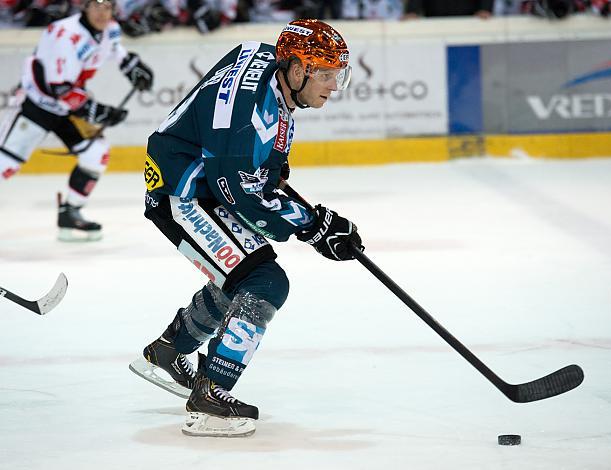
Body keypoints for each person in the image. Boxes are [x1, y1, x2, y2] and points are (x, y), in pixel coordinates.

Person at [129, 19, 363, 437]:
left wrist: (297, 204)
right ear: (296, 69)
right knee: (264, 281)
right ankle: (210, 394)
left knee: (242, 272)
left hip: (198, 176)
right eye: (325, 73)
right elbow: (236, 189)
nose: (333, 84)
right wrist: (312, 227)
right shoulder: (249, 114)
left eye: (336, 73)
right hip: (183, 193)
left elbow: (254, 170)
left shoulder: (261, 58)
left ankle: (169, 350)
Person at [0, 0, 153, 241]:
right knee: (4, 166)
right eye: (96, 5)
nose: (102, 13)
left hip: (66, 110)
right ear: (84, 7)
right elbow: (59, 89)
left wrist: (132, 66)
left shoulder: (109, 28)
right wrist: (97, 111)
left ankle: (70, 213)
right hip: (35, 105)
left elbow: (115, 50)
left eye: (108, 7)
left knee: (96, 152)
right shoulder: (65, 34)